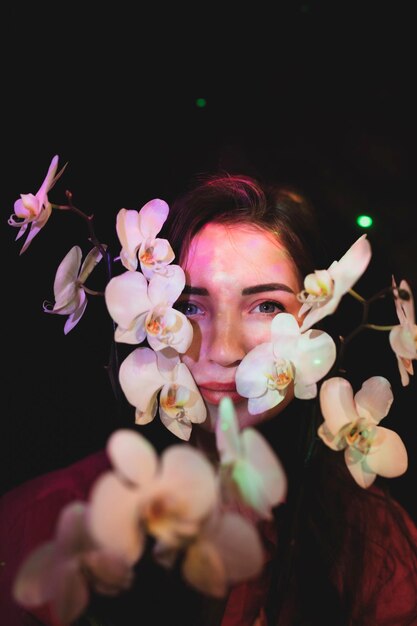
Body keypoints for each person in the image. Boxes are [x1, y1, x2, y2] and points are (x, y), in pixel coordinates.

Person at [1, 173, 417, 626]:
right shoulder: (44, 521)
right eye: (190, 307)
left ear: (315, 318)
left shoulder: (371, 542)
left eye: (266, 306)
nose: (223, 351)